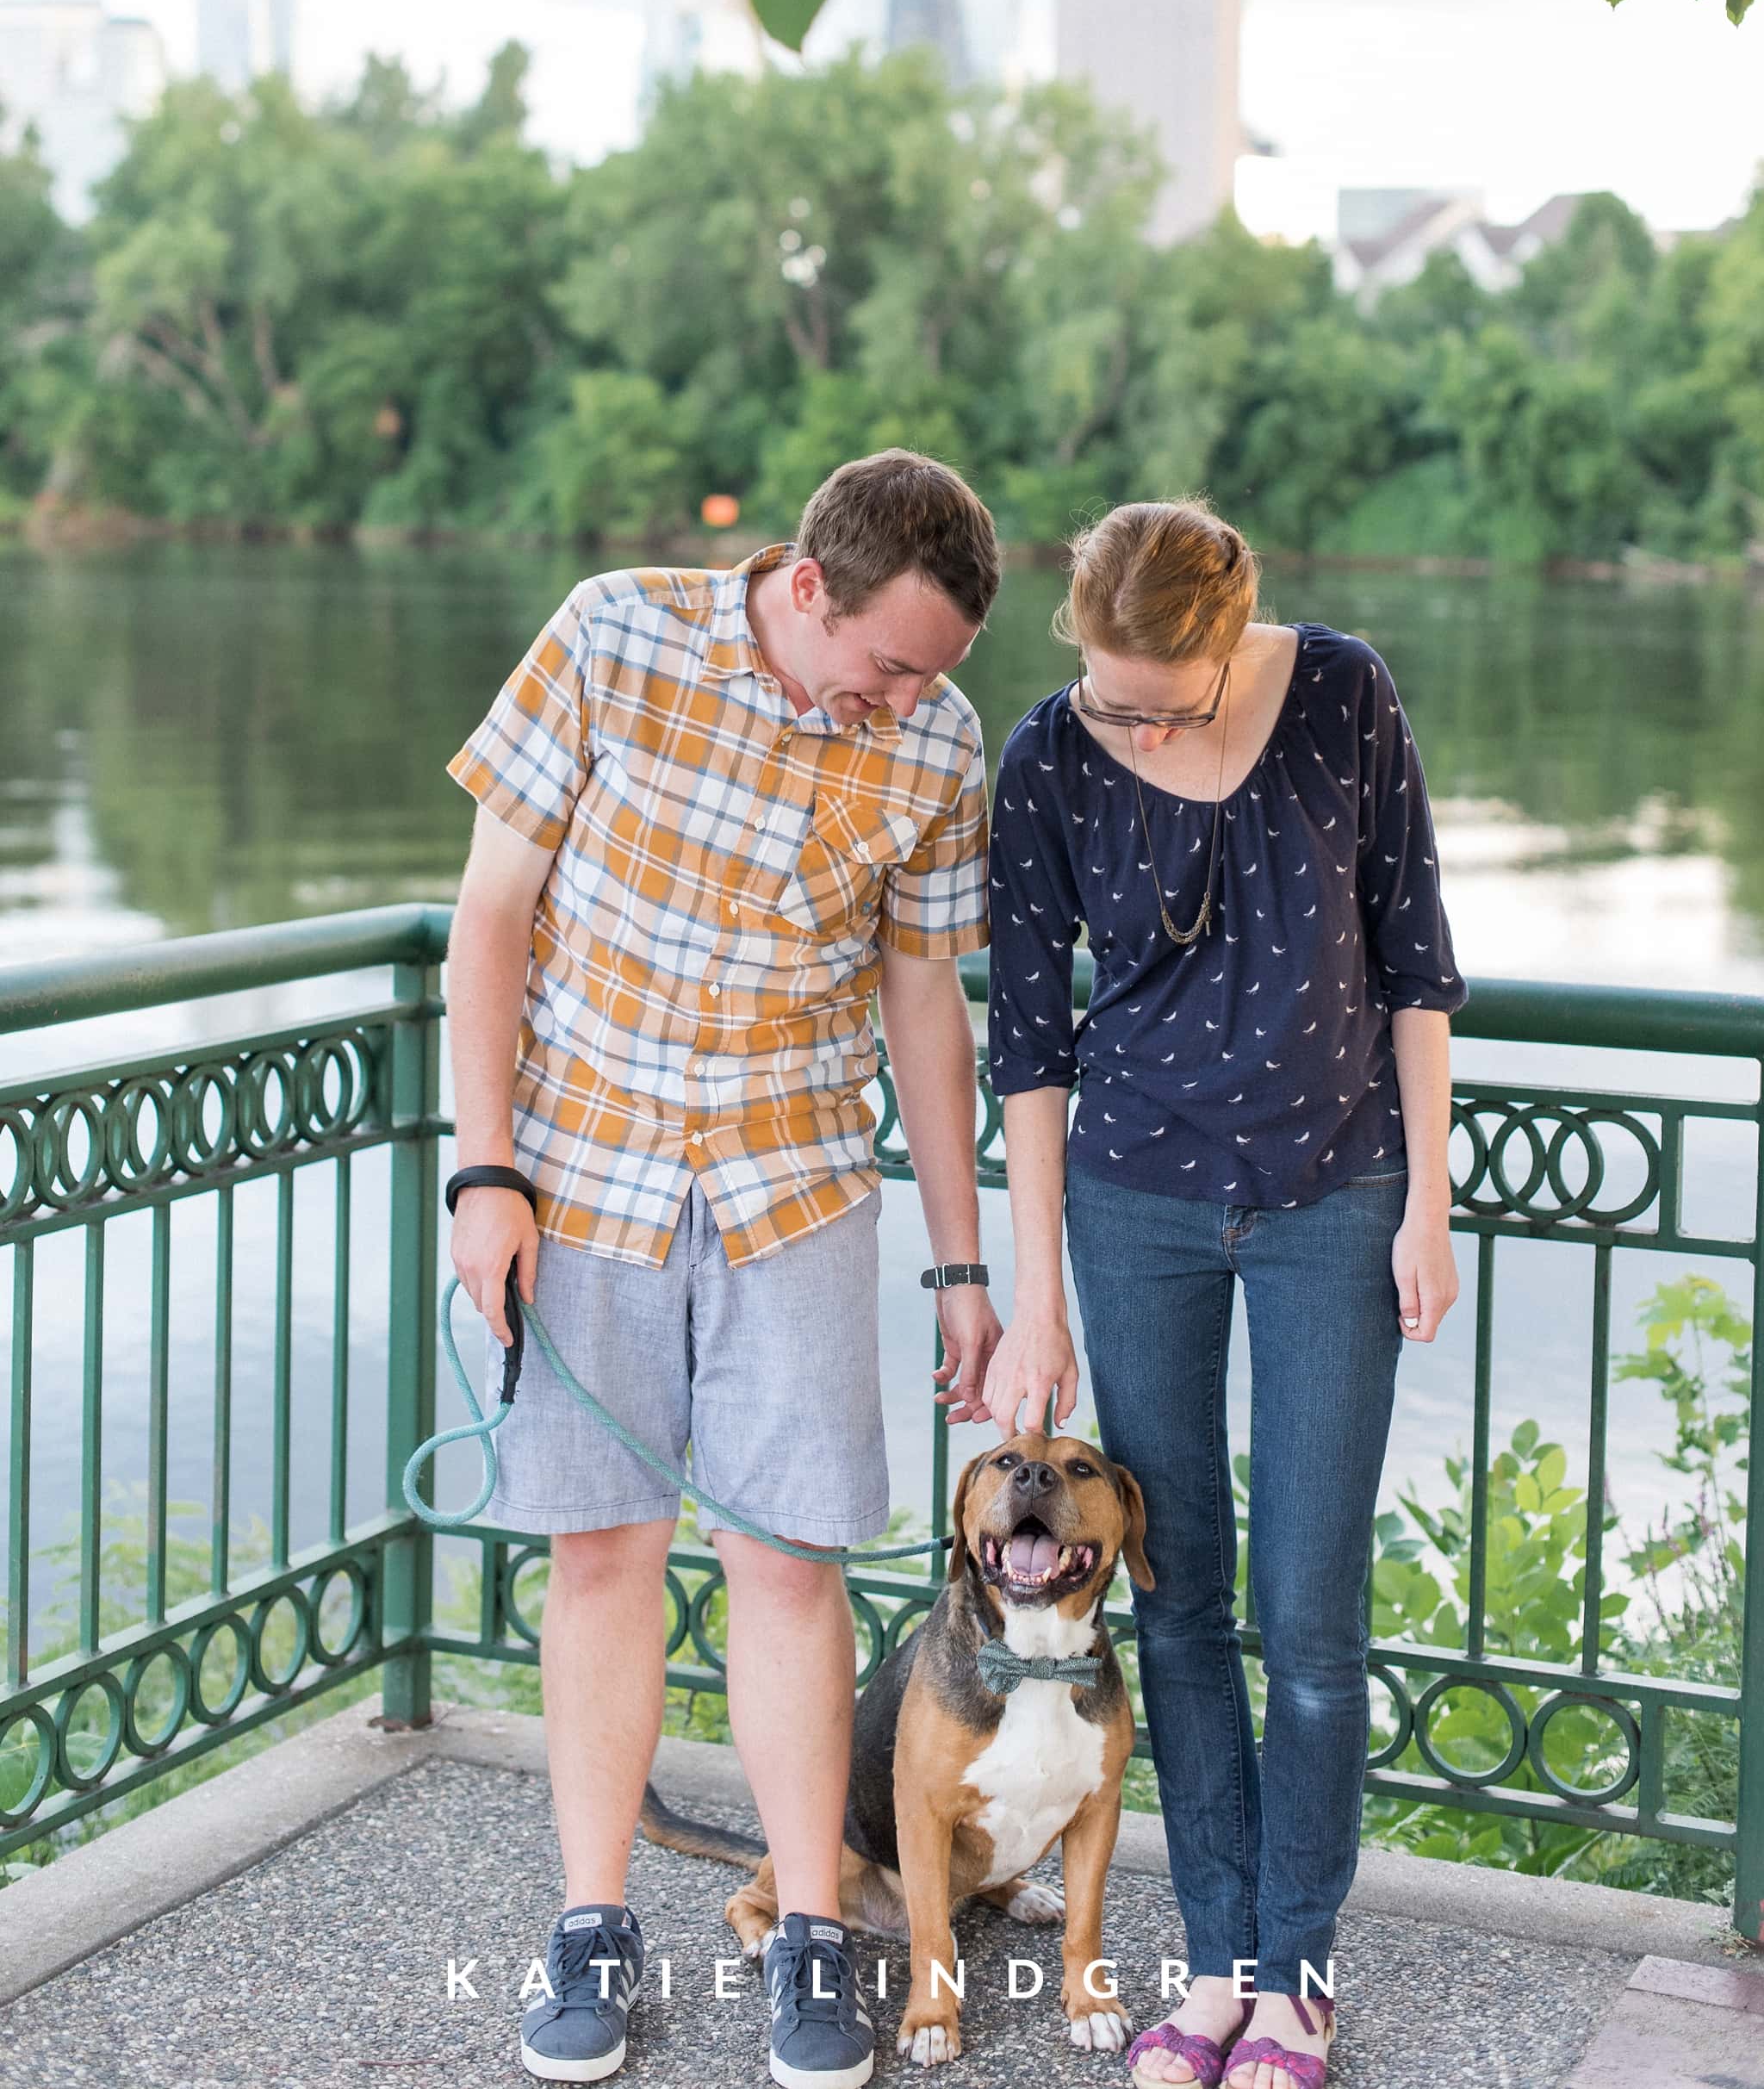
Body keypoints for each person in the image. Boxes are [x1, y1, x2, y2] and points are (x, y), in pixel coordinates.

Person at [443, 451, 1005, 2088]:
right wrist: (485, 1176)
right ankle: (593, 1926)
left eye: (936, 675)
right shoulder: (614, 636)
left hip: (799, 1184)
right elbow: (490, 916)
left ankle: (819, 1936)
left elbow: (922, 1003)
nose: (905, 701)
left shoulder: (940, 741)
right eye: (888, 664)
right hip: (580, 1170)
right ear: (807, 586)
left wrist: (960, 1260)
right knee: (605, 1553)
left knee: (789, 1562)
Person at [980, 499, 1463, 2089]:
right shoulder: (1049, 757)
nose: (1131, 720)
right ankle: (1213, 1964)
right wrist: (1032, 1291)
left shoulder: (1343, 694)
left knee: (1314, 1622)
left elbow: (1414, 957)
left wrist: (1429, 1207)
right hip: (1134, 1205)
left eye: (1160, 697)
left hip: (1339, 1196)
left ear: (1233, 625)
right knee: (1178, 1599)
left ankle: (1300, 1975)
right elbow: (1030, 1045)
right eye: (1109, 689)